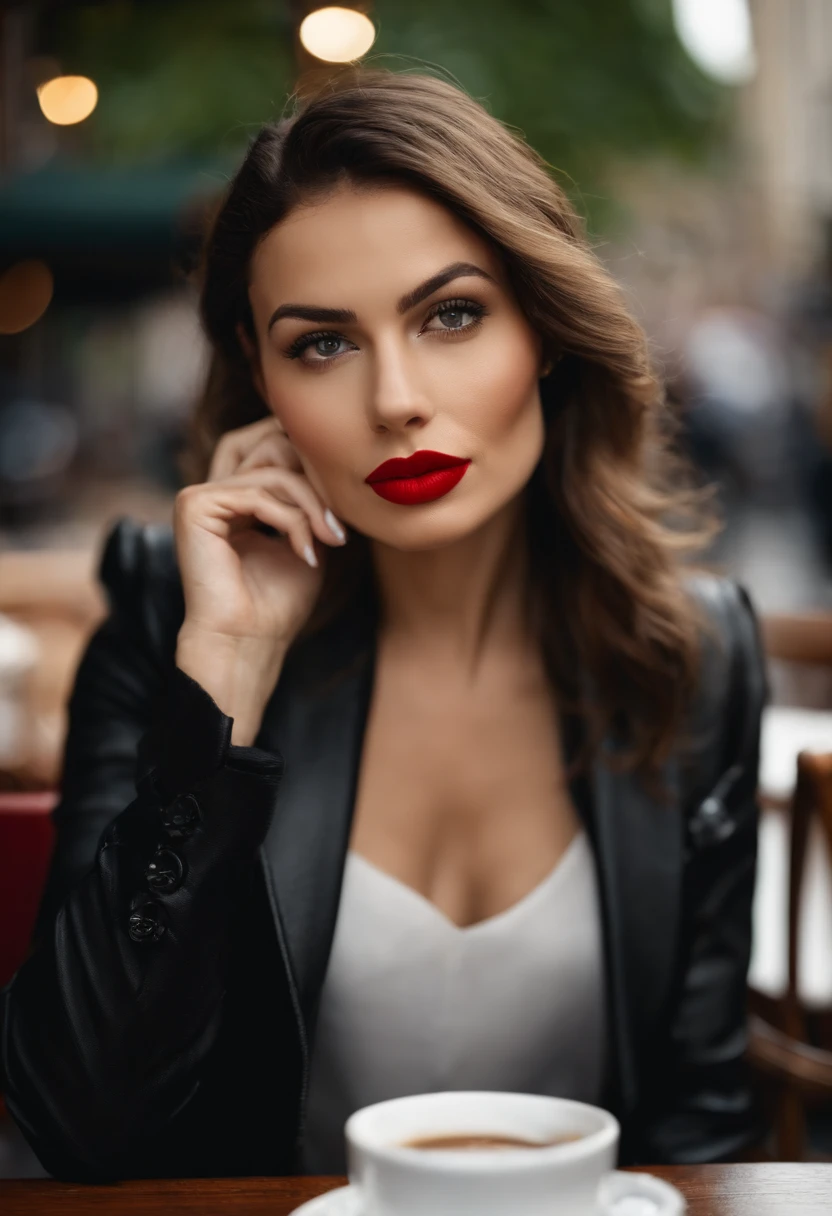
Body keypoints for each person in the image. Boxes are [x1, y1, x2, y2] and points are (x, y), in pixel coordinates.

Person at [0, 68, 768, 1182]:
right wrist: (228, 674)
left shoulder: (693, 656)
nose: (396, 397)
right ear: (260, 379)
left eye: (451, 314)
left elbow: (700, 1124)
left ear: (543, 332)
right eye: (322, 343)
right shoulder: (176, 615)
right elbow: (78, 1121)